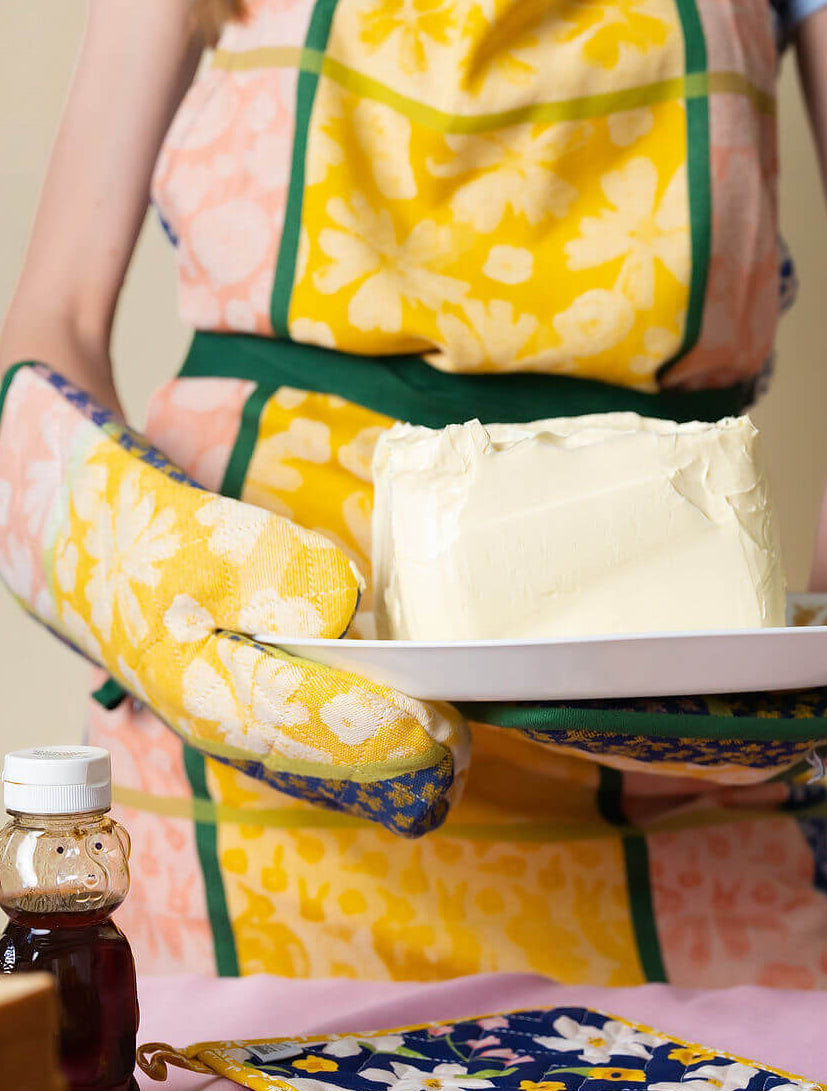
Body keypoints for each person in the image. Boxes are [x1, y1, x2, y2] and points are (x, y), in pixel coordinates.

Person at [1, 0, 827, 987]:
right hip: (255, 787)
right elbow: (54, 319)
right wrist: (125, 567)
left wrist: (795, 669)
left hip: (685, 796)